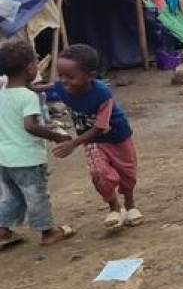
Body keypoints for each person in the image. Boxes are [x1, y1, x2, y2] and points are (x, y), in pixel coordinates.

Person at [47, 44, 142, 229]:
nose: (64, 81)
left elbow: (100, 127)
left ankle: (130, 204)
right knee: (99, 173)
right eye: (61, 75)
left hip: (117, 136)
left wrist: (73, 143)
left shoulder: (102, 94)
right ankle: (114, 207)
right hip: (91, 141)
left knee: (127, 173)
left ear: (90, 76)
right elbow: (51, 87)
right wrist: (31, 87)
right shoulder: (63, 87)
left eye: (70, 77)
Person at [0, 41, 75, 248]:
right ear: (31, 68)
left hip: (4, 159)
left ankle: (3, 231)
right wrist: (56, 136)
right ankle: (47, 231)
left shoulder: (3, 93)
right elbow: (30, 126)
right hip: (27, 158)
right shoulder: (28, 97)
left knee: (12, 196)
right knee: (37, 195)